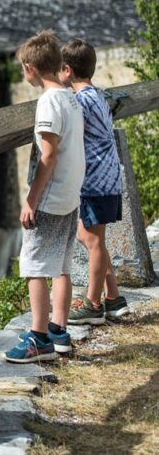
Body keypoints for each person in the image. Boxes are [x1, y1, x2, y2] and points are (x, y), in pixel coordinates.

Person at [5, 31, 85, 364]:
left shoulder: (49, 102)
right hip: (71, 194)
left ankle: (38, 338)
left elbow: (48, 155)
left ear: (31, 68)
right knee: (61, 266)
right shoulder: (70, 96)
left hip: (51, 198)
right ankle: (58, 332)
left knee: (34, 265)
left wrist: (30, 200)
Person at [59, 38, 129, 324]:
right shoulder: (97, 95)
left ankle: (93, 304)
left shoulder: (80, 102)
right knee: (92, 238)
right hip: (107, 177)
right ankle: (113, 297)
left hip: (95, 181)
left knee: (91, 239)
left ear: (66, 69)